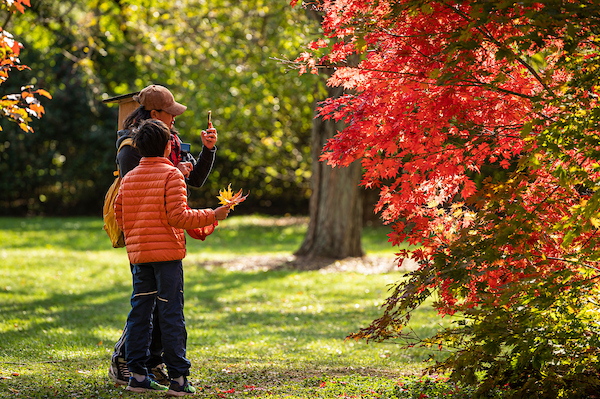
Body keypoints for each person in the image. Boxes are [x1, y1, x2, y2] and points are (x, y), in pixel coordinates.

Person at [109, 84, 218, 386]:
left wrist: (206, 151)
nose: (174, 118)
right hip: (148, 237)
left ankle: (149, 365)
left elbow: (193, 179)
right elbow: (143, 186)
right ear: (154, 113)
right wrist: (176, 175)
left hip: (161, 236)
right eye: (169, 113)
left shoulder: (170, 140)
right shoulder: (131, 146)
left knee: (155, 305)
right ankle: (125, 363)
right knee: (151, 307)